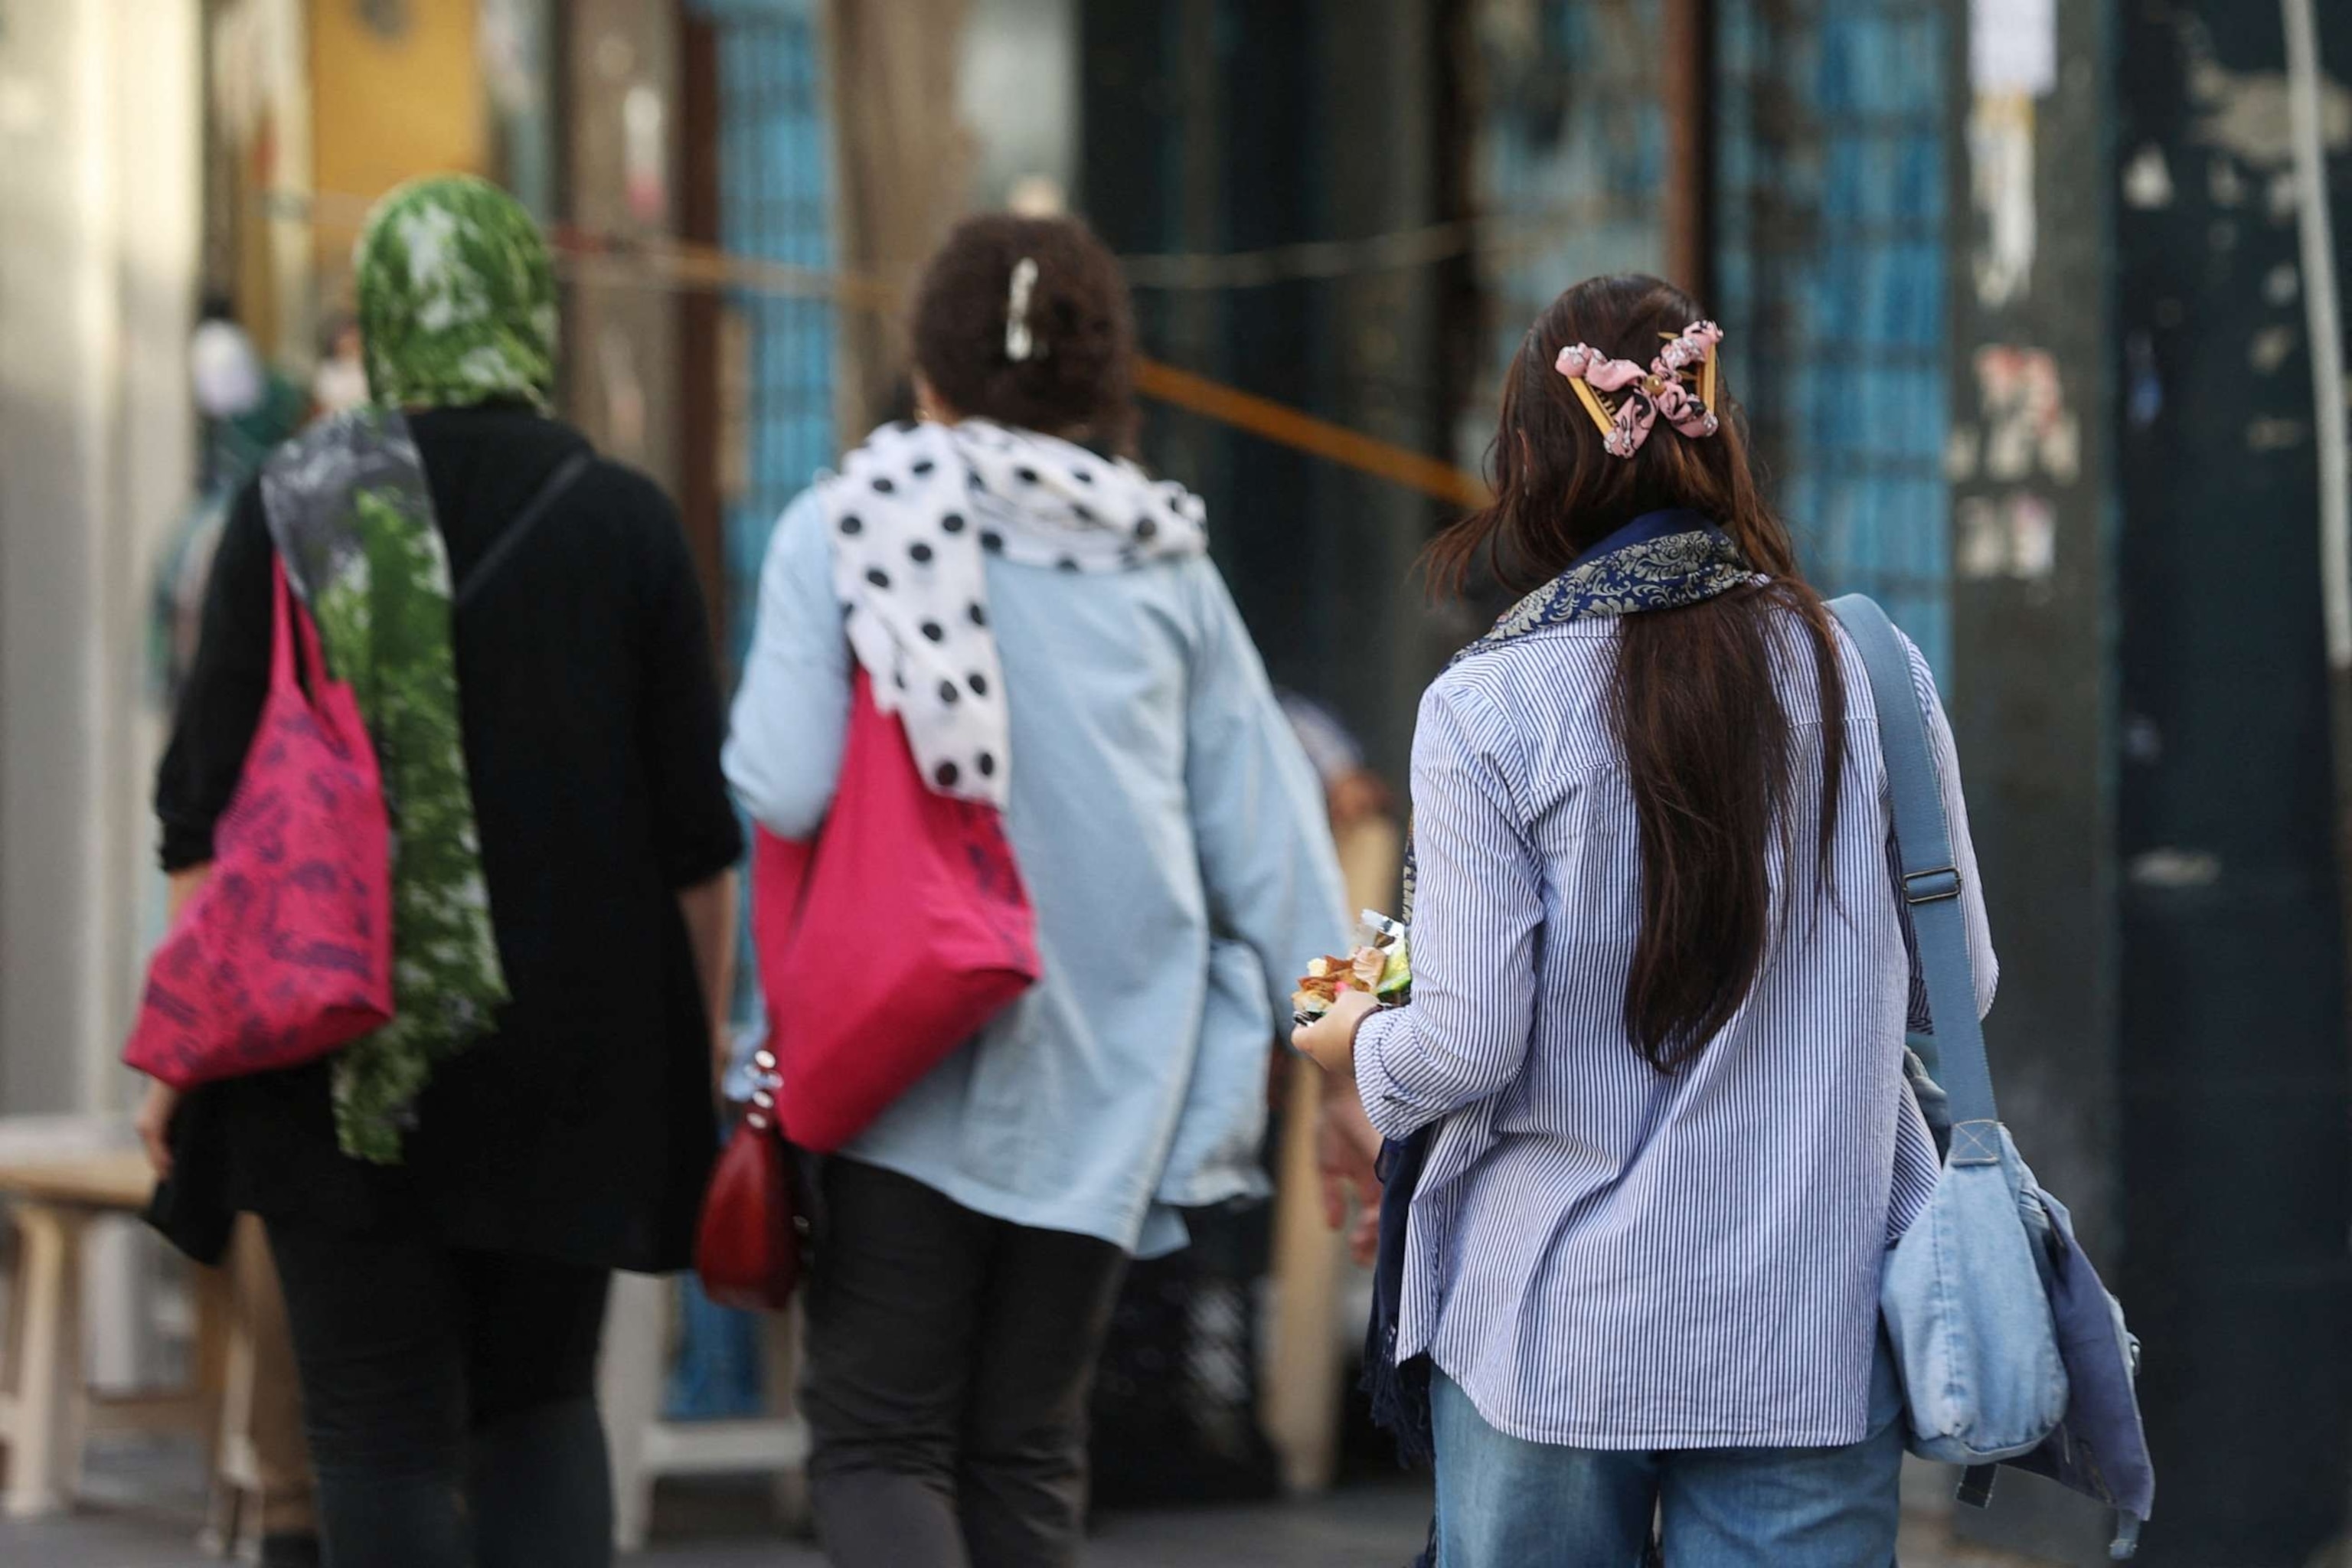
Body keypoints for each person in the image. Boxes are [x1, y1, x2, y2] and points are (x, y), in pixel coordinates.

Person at [1296, 274, 1996, 1566]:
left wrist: (1346, 1043)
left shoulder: (1487, 707)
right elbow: (1957, 992)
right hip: (1809, 1315)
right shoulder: (1876, 676)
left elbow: (1460, 1048)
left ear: (1528, 467)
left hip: (1553, 1326)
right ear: (1716, 433)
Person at [725, 212, 1348, 1568]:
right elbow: (1279, 845)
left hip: (900, 1056)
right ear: (1101, 373)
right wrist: (1359, 1061)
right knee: (1025, 1450)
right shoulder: (1165, 559)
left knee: (881, 1440)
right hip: (1108, 1081)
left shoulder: (845, 525)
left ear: (929, 367)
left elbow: (779, 784)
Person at [142, 175, 741, 1568]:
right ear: (528, 309)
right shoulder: (623, 520)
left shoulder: (299, 503)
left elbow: (203, 815)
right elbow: (694, 839)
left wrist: (185, 1052)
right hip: (574, 1054)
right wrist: (700, 1037)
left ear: (386, 321)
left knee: (372, 1425)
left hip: (334, 1050)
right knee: (540, 1406)